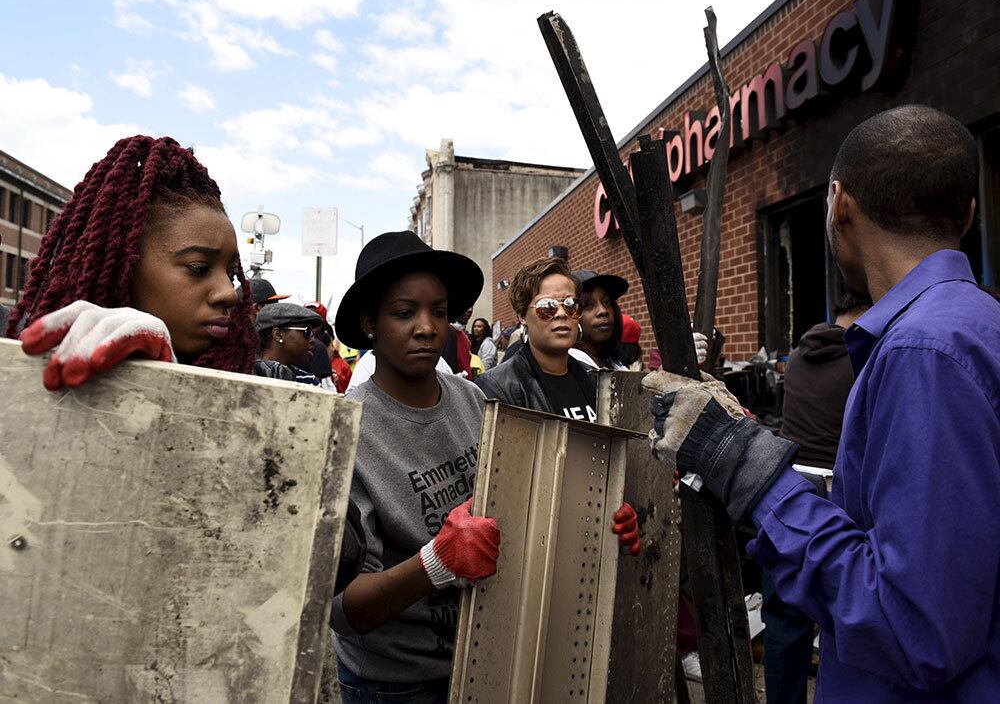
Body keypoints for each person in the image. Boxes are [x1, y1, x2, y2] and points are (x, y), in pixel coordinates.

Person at [645, 105, 999, 702]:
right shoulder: (970, 326)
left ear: (838, 205)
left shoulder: (925, 351)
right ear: (966, 214)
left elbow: (914, 629)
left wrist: (757, 477)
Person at [330, 231, 499, 703]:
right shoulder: (346, 432)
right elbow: (342, 609)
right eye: (404, 313)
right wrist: (436, 563)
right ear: (370, 323)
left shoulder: (473, 400)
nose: (427, 327)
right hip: (394, 682)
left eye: (439, 311)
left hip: (479, 655)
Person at [9, 135, 257, 388]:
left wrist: (164, 380)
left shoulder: (262, 378)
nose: (229, 294)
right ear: (122, 270)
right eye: (199, 268)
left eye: (231, 272)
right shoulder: (15, 358)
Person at [474, 256, 641, 555]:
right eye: (548, 307)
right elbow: (505, 491)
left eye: (571, 305)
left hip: (597, 537)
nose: (561, 314)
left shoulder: (596, 381)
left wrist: (623, 507)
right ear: (523, 316)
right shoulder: (499, 387)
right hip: (540, 545)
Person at [760, 293, 870, 704]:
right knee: (846, 616)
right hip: (832, 494)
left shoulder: (801, 352)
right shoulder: (865, 354)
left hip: (785, 488)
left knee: (784, 622)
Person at [779, 293, 871, 469]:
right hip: (833, 473)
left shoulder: (796, 355)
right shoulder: (861, 360)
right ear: (867, 316)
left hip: (787, 467)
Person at [254, 302, 325, 384]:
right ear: (278, 335)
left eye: (313, 333)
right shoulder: (243, 372)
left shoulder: (308, 382)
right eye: (307, 331)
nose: (312, 340)